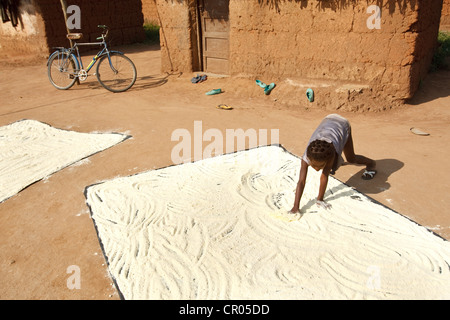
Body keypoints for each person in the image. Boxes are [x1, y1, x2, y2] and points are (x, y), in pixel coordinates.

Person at [290, 114, 376, 213]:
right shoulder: (305, 158)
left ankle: (371, 164)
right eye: (314, 166)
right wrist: (296, 206)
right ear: (308, 159)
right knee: (333, 166)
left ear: (327, 160)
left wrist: (320, 199)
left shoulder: (331, 155)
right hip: (328, 120)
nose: (317, 169)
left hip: (342, 125)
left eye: (320, 166)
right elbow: (301, 181)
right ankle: (336, 163)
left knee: (351, 158)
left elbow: (324, 175)